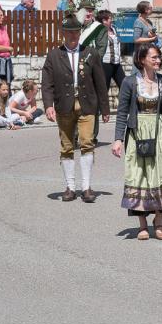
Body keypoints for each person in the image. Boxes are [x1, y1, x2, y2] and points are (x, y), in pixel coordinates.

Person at [112, 44, 162, 239]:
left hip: (159, 132)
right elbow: (122, 113)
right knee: (140, 176)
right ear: (142, 59)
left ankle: (159, 222)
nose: (158, 60)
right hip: (138, 133)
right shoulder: (130, 82)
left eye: (159, 57)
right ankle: (142, 224)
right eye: (153, 57)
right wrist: (118, 139)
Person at [41, 15, 111, 203]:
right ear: (62, 33)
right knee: (67, 146)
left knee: (87, 142)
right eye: (69, 32)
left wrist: (105, 109)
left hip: (87, 105)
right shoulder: (54, 55)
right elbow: (46, 83)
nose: (73, 35)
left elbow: (100, 83)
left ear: (80, 33)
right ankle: (70, 187)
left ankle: (86, 187)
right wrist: (48, 105)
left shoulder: (91, 53)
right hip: (64, 106)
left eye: (76, 32)